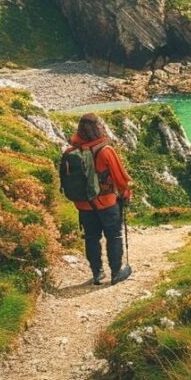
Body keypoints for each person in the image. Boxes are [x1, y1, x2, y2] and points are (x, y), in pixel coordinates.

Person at [65, 113, 133, 285]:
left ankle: (97, 274)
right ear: (98, 128)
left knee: (91, 237)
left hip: (83, 204)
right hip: (107, 203)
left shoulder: (71, 152)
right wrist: (125, 194)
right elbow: (120, 178)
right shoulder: (105, 151)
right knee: (113, 236)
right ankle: (116, 273)